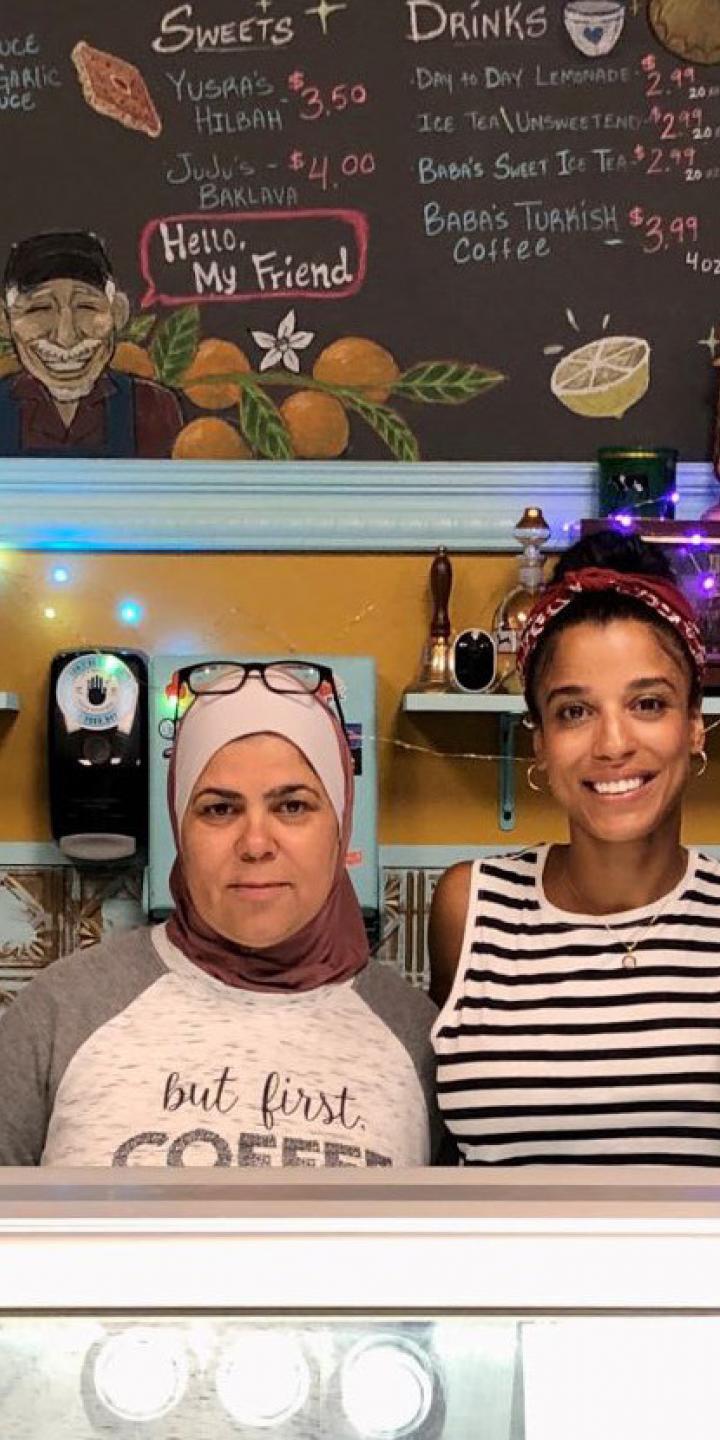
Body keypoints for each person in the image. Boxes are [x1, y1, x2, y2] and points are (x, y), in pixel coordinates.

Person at [0, 662, 440, 1166]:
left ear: (340, 829)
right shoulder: (61, 1014)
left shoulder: (416, 1037)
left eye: (293, 807)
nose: (255, 844)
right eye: (218, 809)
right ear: (179, 828)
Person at [430, 530, 720, 1166]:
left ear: (694, 724)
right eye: (573, 712)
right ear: (539, 741)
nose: (613, 744)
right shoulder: (471, 908)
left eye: (648, 703)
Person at [0, 229, 183, 457]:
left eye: (86, 307)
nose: (65, 337)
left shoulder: (151, 406)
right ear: (5, 321)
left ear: (118, 313)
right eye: (39, 309)